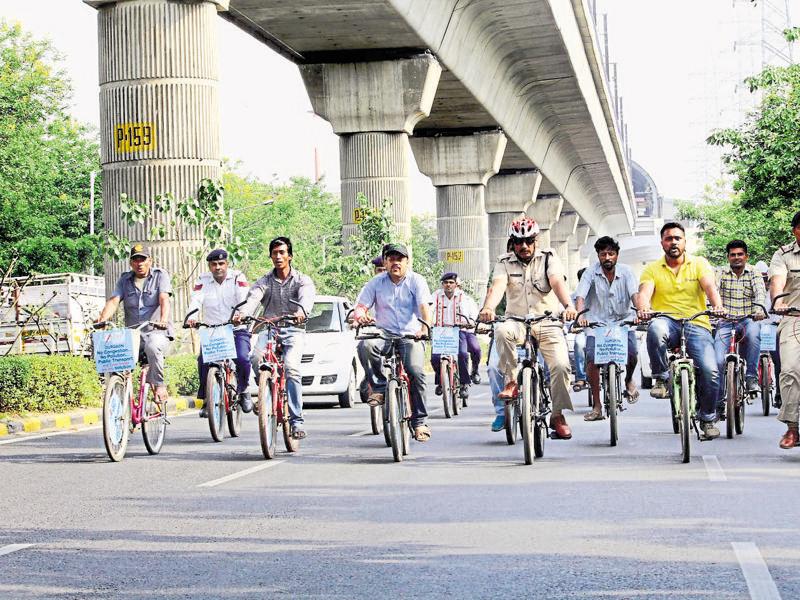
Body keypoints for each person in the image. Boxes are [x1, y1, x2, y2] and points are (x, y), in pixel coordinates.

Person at [478, 217, 578, 439]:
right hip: (517, 322)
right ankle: (512, 382)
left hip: (547, 321)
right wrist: (488, 308)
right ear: (512, 243)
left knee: (561, 366)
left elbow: (556, 282)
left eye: (529, 241)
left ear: (536, 241)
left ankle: (558, 415)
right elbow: (498, 286)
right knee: (502, 331)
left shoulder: (549, 258)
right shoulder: (504, 261)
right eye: (519, 241)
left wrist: (569, 306)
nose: (524, 246)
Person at [636, 222, 724, 440]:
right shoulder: (652, 268)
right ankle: (661, 377)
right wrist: (643, 308)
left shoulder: (699, 264)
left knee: (711, 371)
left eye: (677, 238)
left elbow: (710, 287)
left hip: (697, 323)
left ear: (685, 241)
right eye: (668, 239)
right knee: (655, 329)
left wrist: (718, 305)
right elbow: (644, 292)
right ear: (662, 243)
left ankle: (708, 418)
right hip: (667, 320)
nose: (673, 242)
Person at [353, 243, 433, 442]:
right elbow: (361, 305)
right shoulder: (376, 283)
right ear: (385, 262)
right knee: (366, 345)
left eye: (400, 259)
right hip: (385, 333)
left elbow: (424, 308)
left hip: (411, 335)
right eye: (391, 259)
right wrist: (360, 315)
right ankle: (379, 388)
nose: (395, 262)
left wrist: (424, 328)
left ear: (407, 261)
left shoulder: (417, 281)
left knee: (416, 372)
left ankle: (420, 422)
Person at [238, 237, 315, 440]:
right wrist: (243, 313)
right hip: (269, 328)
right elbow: (253, 297)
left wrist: (301, 311)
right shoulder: (265, 281)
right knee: (254, 357)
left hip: (293, 329)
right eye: (275, 253)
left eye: (282, 252)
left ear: (290, 255)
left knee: (291, 368)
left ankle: (297, 421)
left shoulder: (301, 280)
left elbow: (306, 298)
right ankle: (264, 391)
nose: (278, 256)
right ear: (271, 256)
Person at [96, 243, 173, 404]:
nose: (139, 263)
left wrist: (163, 320)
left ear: (149, 261)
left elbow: (164, 299)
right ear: (131, 263)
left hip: (156, 332)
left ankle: (159, 386)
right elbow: (114, 301)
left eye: (143, 259)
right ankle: (120, 399)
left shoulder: (160, 276)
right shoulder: (125, 280)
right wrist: (102, 319)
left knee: (152, 346)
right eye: (135, 260)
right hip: (134, 335)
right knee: (114, 353)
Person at [574, 236, 640, 421]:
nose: (607, 257)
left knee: (633, 353)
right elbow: (580, 296)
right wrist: (580, 316)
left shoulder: (627, 272)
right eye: (603, 254)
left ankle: (628, 380)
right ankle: (597, 405)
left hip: (623, 322)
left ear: (617, 255)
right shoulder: (589, 273)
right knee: (592, 360)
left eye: (611, 253)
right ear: (598, 256)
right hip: (596, 325)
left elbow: (635, 295)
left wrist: (640, 311)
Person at [185, 249, 252, 416]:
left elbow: (245, 297)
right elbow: (196, 300)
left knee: (243, 358)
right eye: (214, 264)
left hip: (236, 328)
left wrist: (241, 314)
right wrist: (191, 317)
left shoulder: (238, 277)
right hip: (213, 331)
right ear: (209, 266)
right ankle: (207, 399)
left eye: (221, 263)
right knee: (203, 361)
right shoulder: (203, 280)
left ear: (227, 264)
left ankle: (244, 390)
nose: (218, 267)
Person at [714, 240, 767, 413]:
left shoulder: (754, 273)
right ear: (728, 257)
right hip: (725, 322)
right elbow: (713, 292)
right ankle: (719, 399)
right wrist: (714, 309)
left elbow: (760, 293)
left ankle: (751, 378)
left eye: (740, 254)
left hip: (747, 319)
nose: (736, 258)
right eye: (733, 255)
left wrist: (759, 310)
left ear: (746, 256)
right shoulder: (720, 272)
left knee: (753, 334)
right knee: (718, 360)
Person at [768, 210, 800, 449]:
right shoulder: (783, 255)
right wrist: (779, 301)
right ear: (795, 231)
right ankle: (792, 428)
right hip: (794, 318)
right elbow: (777, 281)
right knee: (789, 369)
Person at [431, 272, 480, 401]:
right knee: (435, 358)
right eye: (446, 283)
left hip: (459, 330)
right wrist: (428, 322)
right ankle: (441, 382)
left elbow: (473, 314)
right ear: (442, 284)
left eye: (451, 283)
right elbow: (429, 310)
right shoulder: (435, 296)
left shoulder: (464, 297)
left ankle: (464, 383)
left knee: (463, 354)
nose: (448, 285)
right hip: (440, 331)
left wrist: (470, 322)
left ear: (456, 284)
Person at [356, 256, 385, 402]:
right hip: (372, 332)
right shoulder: (368, 288)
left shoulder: (403, 285)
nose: (382, 273)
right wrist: (358, 319)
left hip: (395, 333)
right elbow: (359, 309)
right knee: (362, 347)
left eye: (384, 270)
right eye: (379, 270)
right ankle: (370, 377)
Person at [571, 267, 588, 392]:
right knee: (579, 343)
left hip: (601, 330)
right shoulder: (573, 298)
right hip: (582, 331)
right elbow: (569, 315)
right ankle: (581, 377)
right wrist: (573, 325)